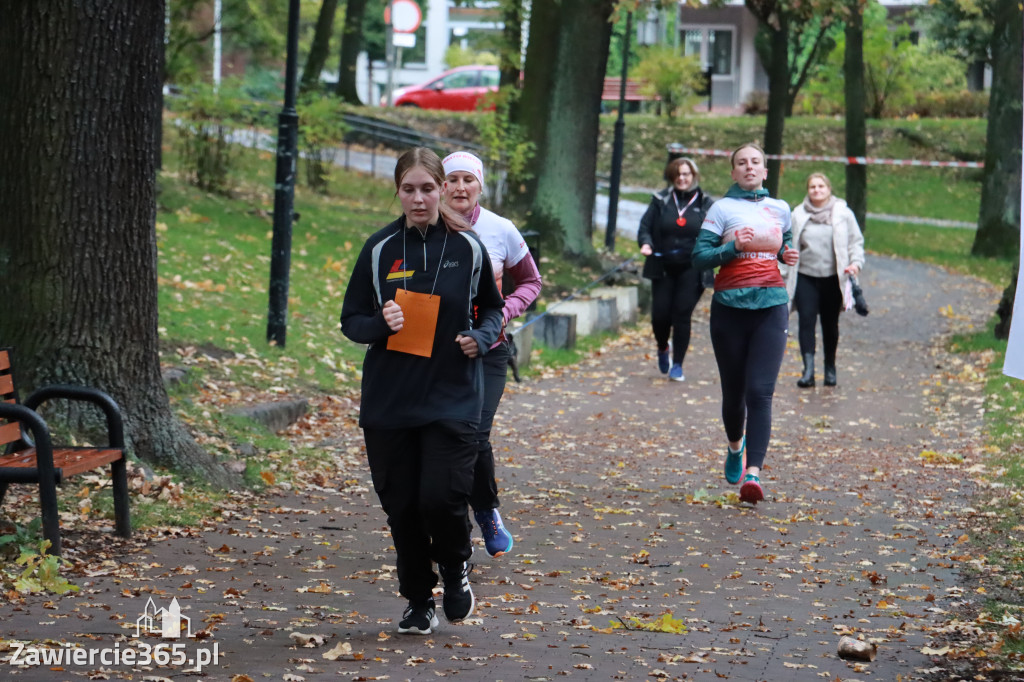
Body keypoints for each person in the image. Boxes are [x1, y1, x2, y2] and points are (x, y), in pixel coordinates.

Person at [340, 147, 505, 635]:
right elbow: (351, 319)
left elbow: (493, 310)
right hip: (391, 401)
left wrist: (479, 338)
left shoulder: (468, 248)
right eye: (409, 189)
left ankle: (455, 567)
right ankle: (417, 599)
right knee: (404, 508)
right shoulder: (379, 249)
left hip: (452, 395)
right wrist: (379, 323)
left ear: (441, 190)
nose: (419, 198)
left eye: (427, 188)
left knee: (441, 498)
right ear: (397, 191)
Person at [442, 151, 542, 559]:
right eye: (453, 180)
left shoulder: (500, 229)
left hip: (490, 351)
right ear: (441, 185)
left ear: (480, 185)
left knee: (474, 435)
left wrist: (505, 313)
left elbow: (531, 282)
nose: (461, 187)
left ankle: (485, 513)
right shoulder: (427, 229)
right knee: (443, 437)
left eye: (469, 179)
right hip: (439, 354)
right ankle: (454, 525)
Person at [691, 143, 800, 505]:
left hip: (772, 304)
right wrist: (732, 247)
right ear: (734, 172)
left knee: (761, 392)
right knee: (734, 394)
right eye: (742, 163)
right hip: (729, 308)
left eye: (756, 162)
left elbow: (783, 242)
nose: (749, 167)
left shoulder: (781, 209)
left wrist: (786, 252)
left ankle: (753, 475)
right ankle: (735, 447)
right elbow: (699, 258)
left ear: (765, 171)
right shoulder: (721, 209)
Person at [785, 172, 865, 388]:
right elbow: (788, 245)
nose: (817, 190)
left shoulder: (843, 213)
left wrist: (855, 263)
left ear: (829, 189)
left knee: (830, 325)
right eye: (812, 187)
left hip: (833, 279)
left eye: (821, 186)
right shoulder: (798, 215)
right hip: (805, 277)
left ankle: (830, 367)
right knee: (806, 322)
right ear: (807, 190)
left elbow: (855, 242)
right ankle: (808, 371)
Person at [637, 157, 714, 382]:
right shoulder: (660, 200)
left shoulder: (705, 203)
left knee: (681, 314)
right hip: (662, 266)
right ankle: (663, 347)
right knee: (660, 316)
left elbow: (714, 232)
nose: (682, 178)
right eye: (678, 174)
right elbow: (645, 227)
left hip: (692, 268)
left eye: (686, 174)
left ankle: (678, 364)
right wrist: (646, 243)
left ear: (694, 176)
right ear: (672, 176)